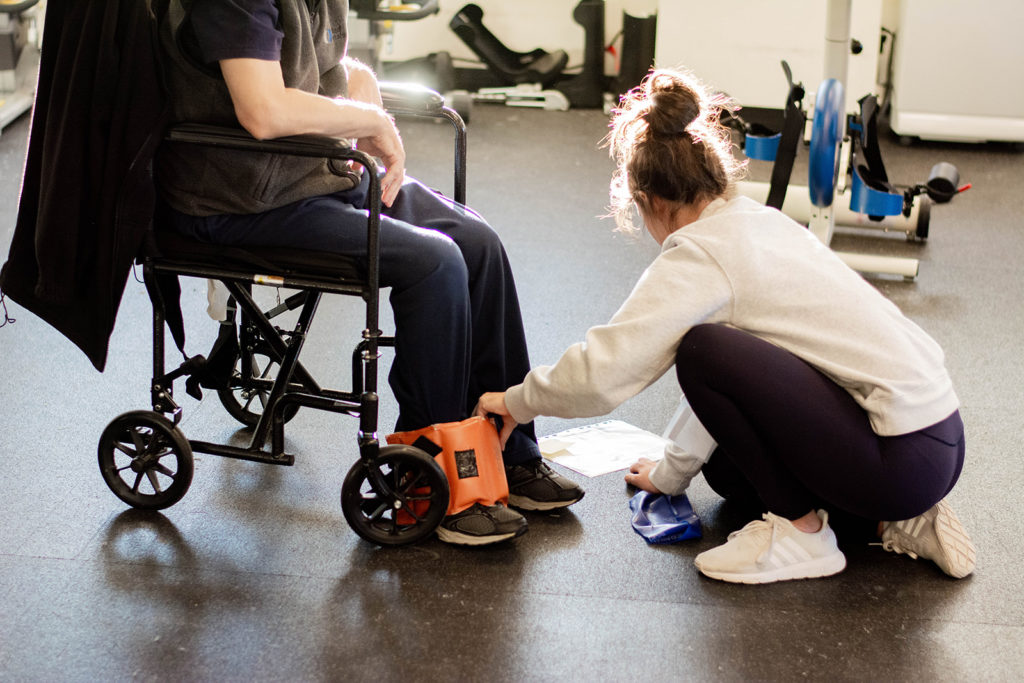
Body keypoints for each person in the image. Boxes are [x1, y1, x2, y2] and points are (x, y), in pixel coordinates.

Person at [476, 67, 976, 583]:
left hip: (898, 457)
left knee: (702, 351)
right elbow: (751, 381)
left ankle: (803, 537)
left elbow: (607, 372)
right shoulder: (761, 222)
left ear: (651, 201)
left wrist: (515, 401)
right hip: (937, 437)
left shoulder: (703, 254)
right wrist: (671, 474)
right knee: (727, 469)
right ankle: (889, 520)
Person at [154, 0, 583, 546]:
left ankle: (512, 452)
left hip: (313, 174)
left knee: (478, 243)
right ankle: (429, 471)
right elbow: (262, 110)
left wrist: (361, 84)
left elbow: (328, 63)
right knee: (434, 261)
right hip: (238, 199)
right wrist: (371, 120)